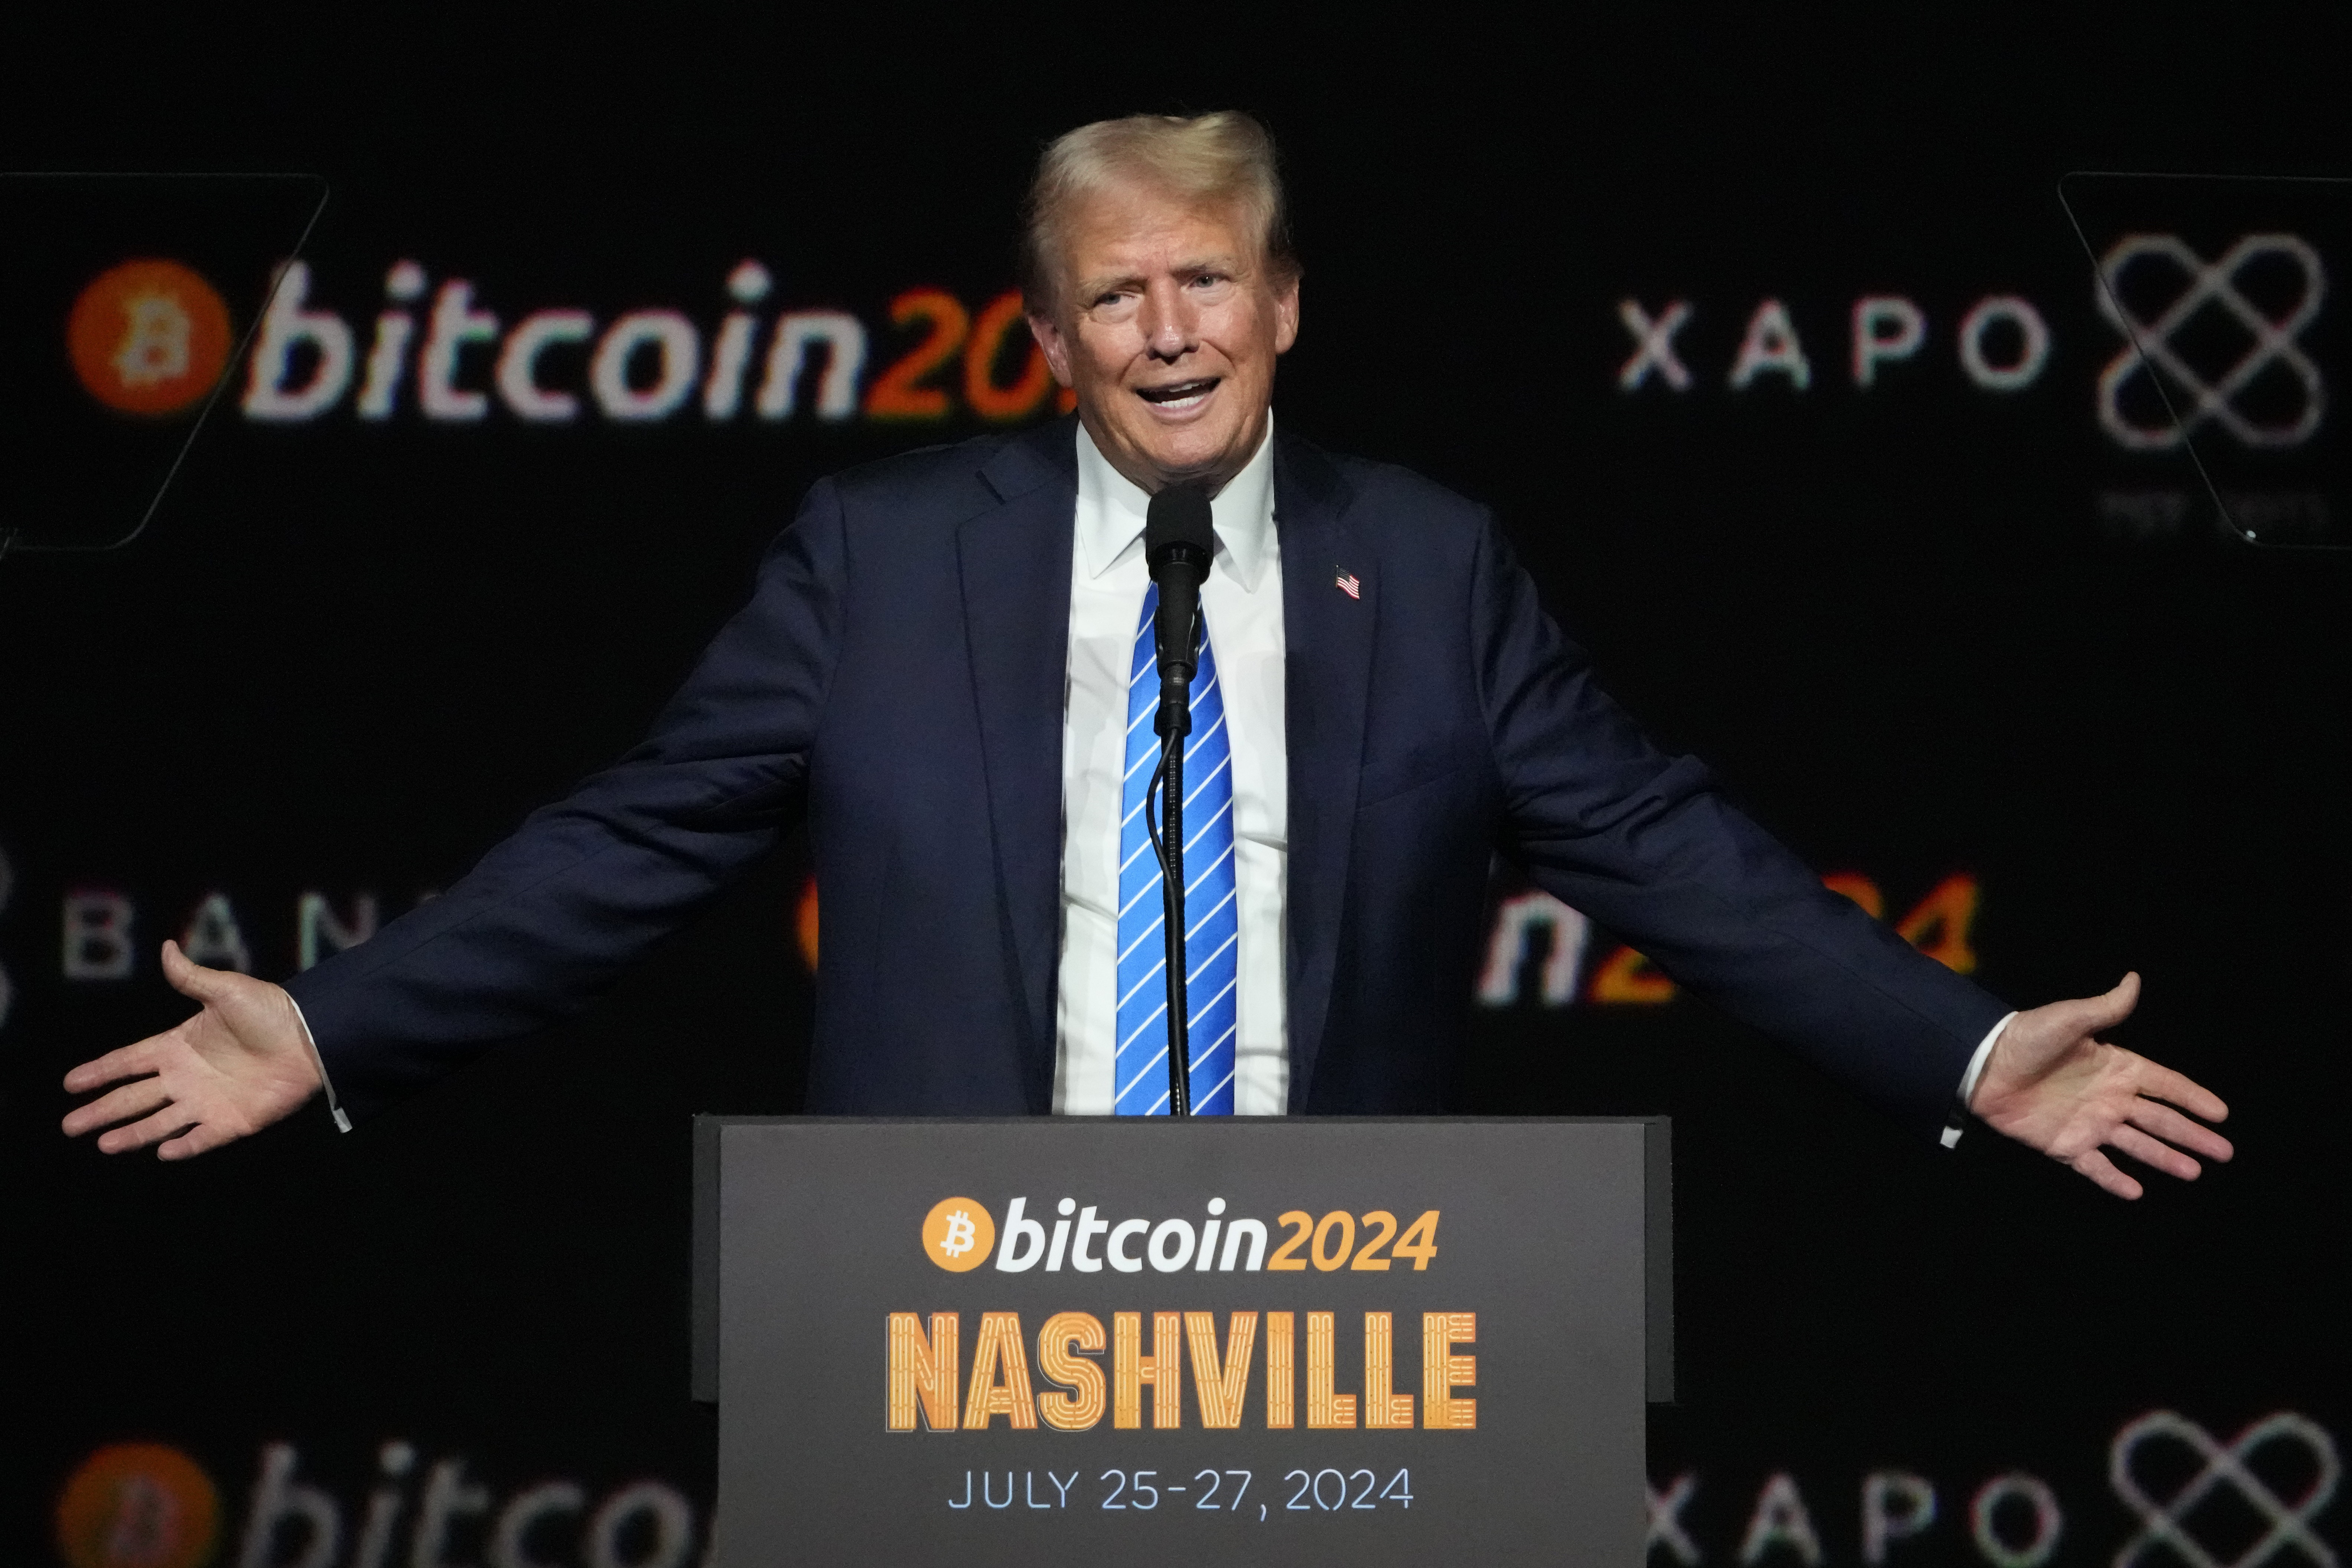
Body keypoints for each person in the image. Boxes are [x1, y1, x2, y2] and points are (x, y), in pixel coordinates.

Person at [62, 112, 2230, 1199]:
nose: (1169, 330)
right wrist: (336, 1029)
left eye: (1209, 281)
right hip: (949, 1312)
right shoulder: (884, 558)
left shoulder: (1433, 561)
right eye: (1119, 296)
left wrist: (1961, 1049)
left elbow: (1670, 853)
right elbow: (630, 844)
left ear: (1286, 305)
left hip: (1330, 1326)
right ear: (1051, 339)